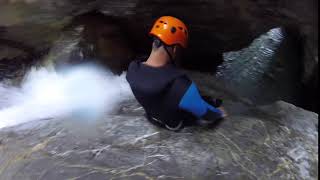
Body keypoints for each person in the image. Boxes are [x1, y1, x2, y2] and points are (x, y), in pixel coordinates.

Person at [126, 16, 227, 131]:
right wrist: (220, 113)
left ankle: (205, 100)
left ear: (155, 42)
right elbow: (207, 115)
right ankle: (210, 102)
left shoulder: (133, 69)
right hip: (175, 124)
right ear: (174, 49)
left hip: (152, 115)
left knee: (191, 98)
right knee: (202, 102)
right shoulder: (179, 85)